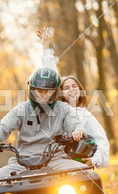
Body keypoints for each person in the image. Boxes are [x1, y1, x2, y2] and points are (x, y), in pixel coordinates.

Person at [0, 67, 88, 183]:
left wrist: (77, 130)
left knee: (87, 176)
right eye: (39, 91)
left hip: (56, 160)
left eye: (47, 91)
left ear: (56, 91)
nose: (43, 95)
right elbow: (3, 127)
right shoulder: (22, 109)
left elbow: (74, 123)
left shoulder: (64, 108)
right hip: (22, 162)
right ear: (31, 89)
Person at [37, 29, 109, 168]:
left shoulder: (85, 115)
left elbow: (102, 141)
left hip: (76, 166)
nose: (71, 90)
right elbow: (51, 74)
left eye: (74, 86)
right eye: (67, 88)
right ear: (60, 93)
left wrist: (94, 160)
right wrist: (46, 48)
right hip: (52, 164)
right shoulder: (55, 111)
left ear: (80, 90)